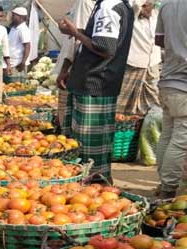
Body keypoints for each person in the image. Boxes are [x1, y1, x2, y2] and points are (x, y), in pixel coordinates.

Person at [58, 0, 134, 180]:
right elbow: (102, 40)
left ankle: (93, 189)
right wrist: (78, 32)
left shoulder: (109, 6)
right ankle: (94, 189)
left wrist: (75, 33)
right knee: (89, 146)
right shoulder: (117, 5)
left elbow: (105, 47)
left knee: (88, 150)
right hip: (96, 81)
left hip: (94, 82)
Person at [154, 0, 187, 198]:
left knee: (167, 135)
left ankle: (164, 183)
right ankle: (169, 189)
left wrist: (176, 43)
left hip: (168, 79)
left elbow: (159, 39)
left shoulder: (166, 4)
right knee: (181, 140)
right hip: (183, 84)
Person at [55, 0, 96, 131]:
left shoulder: (84, 3)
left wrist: (64, 70)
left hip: (75, 67)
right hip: (84, 66)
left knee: (68, 114)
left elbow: (75, 40)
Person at [116, 0, 161, 116]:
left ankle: (143, 128)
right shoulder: (132, 14)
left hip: (152, 66)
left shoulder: (156, 15)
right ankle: (121, 129)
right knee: (122, 105)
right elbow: (135, 5)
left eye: (151, 6)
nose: (149, 10)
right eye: (146, 6)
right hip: (133, 65)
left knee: (153, 105)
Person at [6, 6, 31, 84]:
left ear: (20, 17)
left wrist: (23, 62)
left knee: (16, 87)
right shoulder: (14, 28)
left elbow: (27, 46)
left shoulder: (23, 29)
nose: (12, 17)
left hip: (18, 64)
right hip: (12, 62)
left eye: (14, 15)